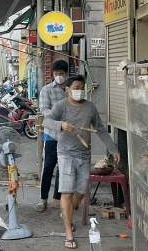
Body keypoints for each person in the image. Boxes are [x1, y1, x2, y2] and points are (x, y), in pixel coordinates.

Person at [44, 75, 121, 249]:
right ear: (68, 89)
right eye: (76, 88)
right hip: (65, 153)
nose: (79, 91)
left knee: (79, 193)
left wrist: (113, 148)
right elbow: (47, 121)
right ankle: (69, 233)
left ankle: (68, 212)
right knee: (67, 192)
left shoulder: (90, 107)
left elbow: (100, 129)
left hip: (84, 154)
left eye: (81, 87)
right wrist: (61, 125)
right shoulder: (61, 106)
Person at [36, 60, 69, 213]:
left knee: (63, 168)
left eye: (61, 74)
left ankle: (57, 199)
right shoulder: (46, 90)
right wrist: (60, 120)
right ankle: (43, 200)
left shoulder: (71, 89)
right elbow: (44, 109)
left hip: (68, 136)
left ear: (66, 74)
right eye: (56, 74)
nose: (58, 77)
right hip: (51, 134)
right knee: (48, 167)